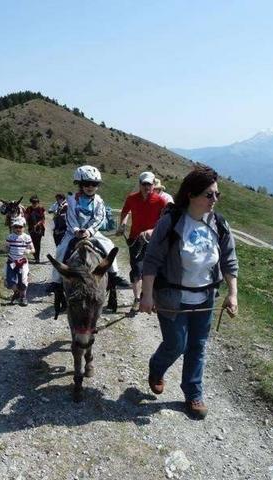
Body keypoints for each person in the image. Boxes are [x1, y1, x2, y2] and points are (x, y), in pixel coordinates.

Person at [140, 166, 239, 420]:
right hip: (173, 298)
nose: (214, 200)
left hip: (205, 298)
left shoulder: (219, 224)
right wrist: (147, 295)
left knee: (198, 346)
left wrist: (232, 293)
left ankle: (193, 394)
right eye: (209, 195)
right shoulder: (172, 222)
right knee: (177, 344)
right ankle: (157, 367)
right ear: (192, 195)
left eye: (217, 195)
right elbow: (152, 260)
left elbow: (229, 260)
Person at [51, 165, 120, 311]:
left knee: (109, 246)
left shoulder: (99, 201)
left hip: (92, 232)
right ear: (80, 185)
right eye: (86, 184)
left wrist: (89, 231)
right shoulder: (72, 200)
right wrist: (76, 230)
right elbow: (70, 218)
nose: (90, 187)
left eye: (94, 184)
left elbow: (99, 218)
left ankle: (114, 276)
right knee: (61, 250)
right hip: (73, 232)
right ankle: (56, 283)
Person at [117, 171, 168, 311]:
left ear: (153, 185)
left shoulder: (160, 201)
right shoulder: (132, 198)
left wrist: (152, 231)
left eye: (149, 184)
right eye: (144, 184)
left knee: (151, 269)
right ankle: (137, 299)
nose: (146, 187)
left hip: (154, 240)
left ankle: (148, 296)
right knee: (136, 269)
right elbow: (125, 211)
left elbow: (166, 221)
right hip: (135, 239)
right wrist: (122, 225)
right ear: (140, 184)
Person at [3, 216, 35, 306]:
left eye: (20, 227)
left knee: (23, 280)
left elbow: (33, 249)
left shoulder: (27, 237)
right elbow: (6, 248)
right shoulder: (10, 237)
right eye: (16, 227)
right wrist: (3, 248)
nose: (18, 229)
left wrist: (29, 250)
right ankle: (17, 292)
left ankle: (23, 297)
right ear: (13, 227)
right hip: (11, 261)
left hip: (22, 262)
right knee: (9, 280)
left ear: (24, 227)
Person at [24, 195, 45, 263]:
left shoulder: (41, 209)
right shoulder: (29, 209)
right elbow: (26, 218)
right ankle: (35, 256)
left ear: (38, 202)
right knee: (32, 243)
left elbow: (43, 219)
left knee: (37, 243)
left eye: (35, 202)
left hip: (39, 229)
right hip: (31, 228)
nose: (34, 204)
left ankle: (37, 258)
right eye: (33, 202)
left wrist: (37, 224)